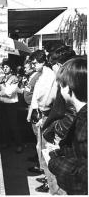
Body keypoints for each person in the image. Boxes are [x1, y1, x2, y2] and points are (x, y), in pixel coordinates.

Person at [48, 57, 87, 195]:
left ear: (69, 88)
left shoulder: (84, 123)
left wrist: (54, 162)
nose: (59, 88)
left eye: (61, 85)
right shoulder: (81, 115)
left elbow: (83, 173)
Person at [26, 50, 57, 193]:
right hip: (41, 113)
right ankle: (46, 177)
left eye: (35, 63)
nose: (33, 65)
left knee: (45, 149)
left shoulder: (49, 75)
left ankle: (50, 183)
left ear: (43, 62)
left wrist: (40, 113)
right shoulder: (42, 74)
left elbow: (47, 98)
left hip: (45, 114)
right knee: (40, 147)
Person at [0, 58, 23, 153]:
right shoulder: (1, 78)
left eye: (7, 67)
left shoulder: (14, 78)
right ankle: (6, 143)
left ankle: (19, 144)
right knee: (3, 125)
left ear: (11, 68)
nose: (5, 69)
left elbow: (9, 93)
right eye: (4, 67)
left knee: (13, 126)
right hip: (2, 105)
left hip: (11, 105)